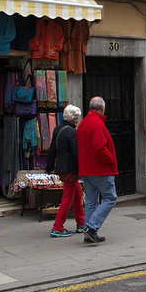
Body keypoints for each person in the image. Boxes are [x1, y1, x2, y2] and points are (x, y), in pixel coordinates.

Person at [76, 97, 118, 244]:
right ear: (102, 108)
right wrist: (111, 159)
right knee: (110, 198)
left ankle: (89, 232)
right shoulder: (97, 124)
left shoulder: (83, 123)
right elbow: (100, 148)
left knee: (91, 201)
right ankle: (91, 227)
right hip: (100, 169)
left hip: (87, 169)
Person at [46, 105, 84, 238]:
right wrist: (84, 168)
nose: (78, 120)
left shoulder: (58, 129)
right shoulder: (72, 133)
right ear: (74, 118)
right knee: (67, 198)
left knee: (78, 194)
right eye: (77, 117)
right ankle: (57, 227)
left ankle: (81, 223)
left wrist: (49, 167)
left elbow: (52, 150)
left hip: (63, 168)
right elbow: (77, 152)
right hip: (70, 170)